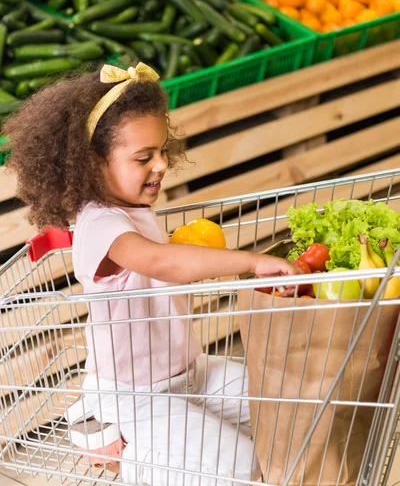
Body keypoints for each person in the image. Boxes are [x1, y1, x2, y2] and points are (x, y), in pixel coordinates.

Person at [4, 61, 299, 486]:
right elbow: (161, 262)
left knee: (287, 400)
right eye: (144, 157)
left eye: (163, 151)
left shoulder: (133, 208)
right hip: (134, 397)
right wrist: (250, 262)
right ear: (92, 165)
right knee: (239, 464)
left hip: (189, 372)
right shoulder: (100, 223)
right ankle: (134, 459)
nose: (161, 165)